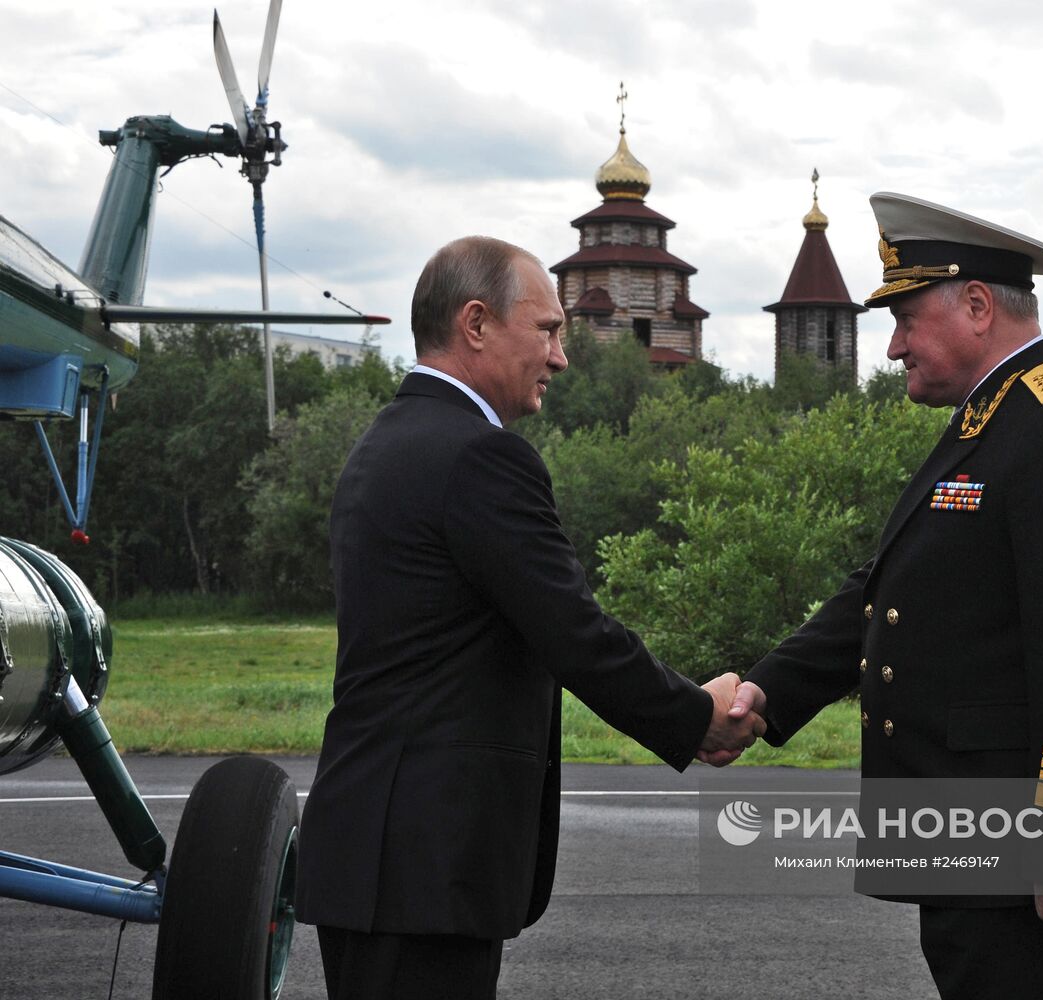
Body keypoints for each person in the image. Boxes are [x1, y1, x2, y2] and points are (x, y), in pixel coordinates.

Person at [295, 236, 764, 1000]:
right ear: (476, 324)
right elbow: (571, 631)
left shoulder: (385, 442)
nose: (560, 358)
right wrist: (695, 716)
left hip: (377, 851)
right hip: (427, 860)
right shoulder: (480, 455)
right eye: (546, 331)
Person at [716, 193, 1043, 1000]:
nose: (891, 348)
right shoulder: (993, 420)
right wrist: (767, 692)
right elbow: (887, 593)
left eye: (906, 319)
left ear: (977, 306)